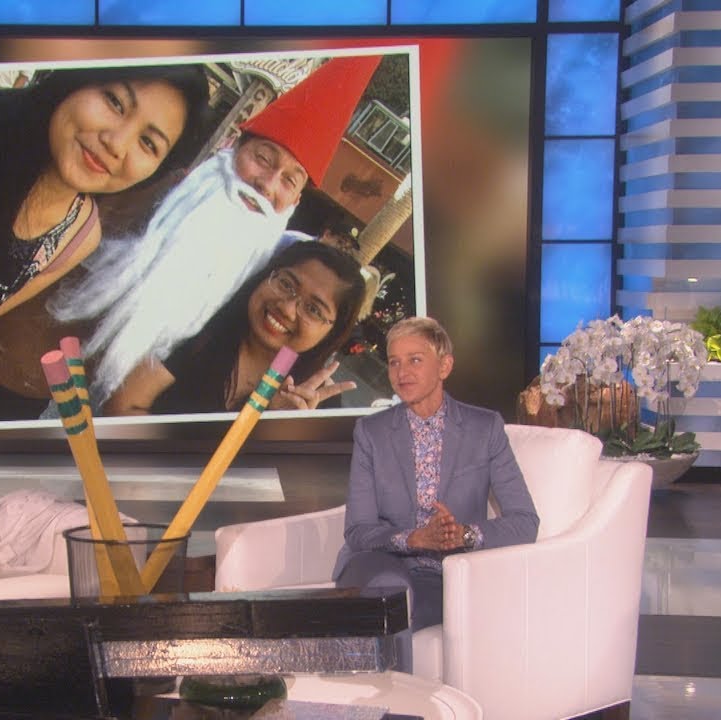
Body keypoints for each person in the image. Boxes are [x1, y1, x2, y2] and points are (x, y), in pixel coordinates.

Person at [51, 55, 382, 405]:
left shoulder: (268, 279)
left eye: (288, 181)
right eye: (262, 159)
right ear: (230, 146)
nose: (266, 186)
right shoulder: (139, 185)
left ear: (295, 201)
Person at [0, 64, 210, 370]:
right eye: (115, 102)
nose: (116, 143)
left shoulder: (78, 232)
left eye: (148, 143)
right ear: (75, 80)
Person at [333, 316, 538, 671]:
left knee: (398, 605)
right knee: (390, 592)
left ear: (444, 366)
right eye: (394, 362)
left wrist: (464, 535)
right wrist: (413, 539)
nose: (402, 373)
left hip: (443, 575)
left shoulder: (484, 428)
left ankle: (386, 698)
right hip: (378, 562)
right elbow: (358, 531)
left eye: (415, 360)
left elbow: (525, 522)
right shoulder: (371, 433)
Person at [104, 242, 367, 415]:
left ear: (332, 333)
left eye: (314, 309)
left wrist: (277, 430)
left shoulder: (317, 401)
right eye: (286, 284)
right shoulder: (202, 327)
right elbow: (121, 408)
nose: (287, 308)